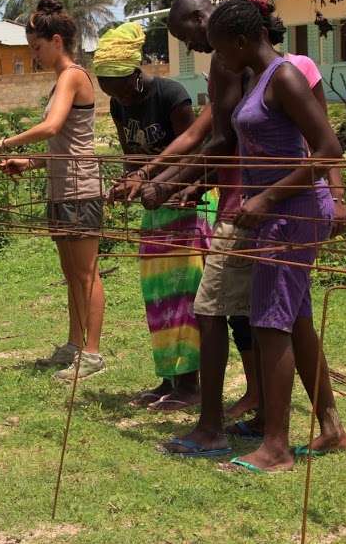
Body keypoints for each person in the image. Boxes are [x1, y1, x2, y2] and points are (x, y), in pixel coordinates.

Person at [206, 0, 346, 472]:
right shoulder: (260, 81)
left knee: (270, 323)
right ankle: (331, 428)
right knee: (297, 321)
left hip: (290, 216)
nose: (219, 57)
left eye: (221, 47)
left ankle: (276, 447)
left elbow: (329, 147)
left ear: (243, 40)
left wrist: (267, 198)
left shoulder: (284, 77)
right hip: (276, 215)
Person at [95, 22, 214, 411]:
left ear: (136, 73)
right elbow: (133, 155)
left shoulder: (172, 96)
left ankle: (189, 384)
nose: (123, 102)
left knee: (186, 294)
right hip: (154, 209)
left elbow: (194, 155)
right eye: (113, 95)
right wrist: (126, 181)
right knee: (160, 296)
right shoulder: (117, 102)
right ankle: (168, 378)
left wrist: (154, 182)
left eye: (126, 91)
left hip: (187, 207)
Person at [0, 0, 105, 380]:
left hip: (81, 187)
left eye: (36, 48)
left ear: (57, 40)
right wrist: (29, 161)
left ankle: (93, 354)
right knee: (71, 272)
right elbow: (62, 143)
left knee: (87, 272)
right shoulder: (60, 81)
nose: (34, 56)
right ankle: (73, 345)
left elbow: (52, 128)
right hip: (61, 186)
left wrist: (6, 144)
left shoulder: (73, 75)